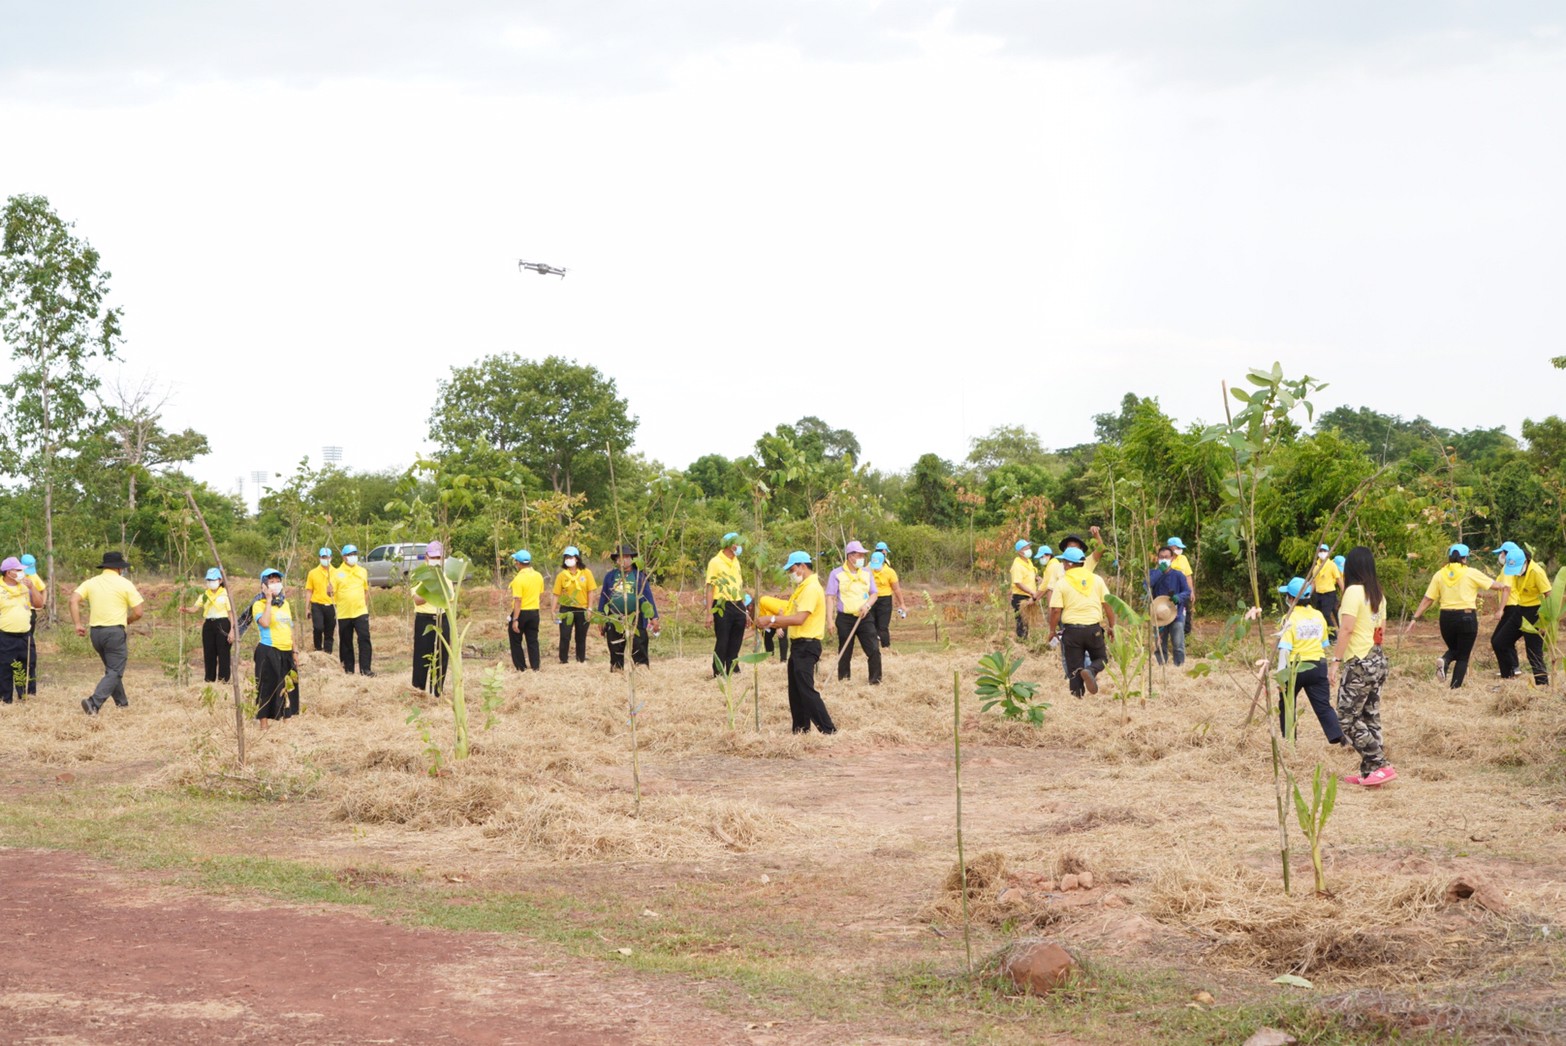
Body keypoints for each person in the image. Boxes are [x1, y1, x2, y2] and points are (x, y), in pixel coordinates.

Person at [1331, 546, 1396, 787]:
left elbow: (1346, 629)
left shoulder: (1352, 593)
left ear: (1351, 567)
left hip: (1358, 661)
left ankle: (1379, 763)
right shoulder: (1378, 593)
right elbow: (1382, 632)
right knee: (1370, 716)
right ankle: (1371, 773)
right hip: (1377, 659)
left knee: (1346, 717)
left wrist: (1335, 662)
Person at [1406, 543, 1506, 689]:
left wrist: (1414, 618)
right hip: (1466, 617)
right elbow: (1496, 586)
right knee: (1463, 656)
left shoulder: (1439, 574)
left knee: (1455, 649)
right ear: (1465, 558)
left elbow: (1428, 598)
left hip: (1446, 619)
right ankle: (1454, 688)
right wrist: (1505, 584)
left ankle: (1445, 660)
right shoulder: (1471, 572)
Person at [758, 551, 836, 734]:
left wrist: (770, 620)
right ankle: (801, 730)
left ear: (803, 566)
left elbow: (800, 618)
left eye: (792, 569)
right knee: (796, 691)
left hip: (807, 644)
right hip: (799, 644)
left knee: (806, 691)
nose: (790, 574)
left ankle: (828, 730)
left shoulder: (810, 588)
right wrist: (775, 620)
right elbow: (789, 614)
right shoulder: (802, 588)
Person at [70, 551, 145, 716]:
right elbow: (139, 612)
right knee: (116, 671)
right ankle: (94, 703)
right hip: (114, 632)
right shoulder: (125, 584)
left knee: (111, 669)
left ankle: (122, 704)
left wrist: (77, 624)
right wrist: (129, 620)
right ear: (119, 568)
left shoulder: (91, 582)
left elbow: (73, 600)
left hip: (95, 633)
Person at [1273, 576, 1345, 747]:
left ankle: (1289, 741)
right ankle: (1339, 736)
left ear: (1291, 599)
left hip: (1295, 667)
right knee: (1323, 706)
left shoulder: (1288, 619)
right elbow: (1323, 643)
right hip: (1318, 666)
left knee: (1288, 705)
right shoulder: (1318, 615)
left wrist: (1280, 676)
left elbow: (1284, 649)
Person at [1046, 547, 1116, 697]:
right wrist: (1111, 626)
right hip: (1093, 630)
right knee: (1101, 658)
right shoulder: (1097, 579)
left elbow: (1056, 610)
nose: (1063, 565)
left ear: (1070, 564)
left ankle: (1077, 698)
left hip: (1072, 632)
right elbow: (1108, 604)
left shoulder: (1062, 583)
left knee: (1074, 669)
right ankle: (1090, 670)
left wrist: (1052, 631)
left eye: (1064, 562)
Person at [1490, 541, 1552, 685]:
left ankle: (1542, 686)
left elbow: (1549, 595)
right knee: (1499, 642)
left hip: (1536, 613)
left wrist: (1546, 622)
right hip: (1520, 610)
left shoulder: (1536, 572)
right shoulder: (1515, 571)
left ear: (1525, 562)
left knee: (1533, 653)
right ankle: (1508, 681)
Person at [825, 541, 881, 684]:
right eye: (860, 555)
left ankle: (875, 680)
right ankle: (844, 681)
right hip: (845, 619)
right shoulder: (836, 574)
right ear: (850, 556)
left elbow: (874, 594)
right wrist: (830, 620)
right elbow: (830, 597)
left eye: (863, 555)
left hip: (865, 617)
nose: (863, 558)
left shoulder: (867, 573)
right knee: (845, 651)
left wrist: (867, 605)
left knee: (874, 649)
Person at [252, 568, 302, 724]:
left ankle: (286, 720)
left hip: (286, 650)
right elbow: (265, 623)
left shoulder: (285, 604)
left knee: (288, 686)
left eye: (277, 581)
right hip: (268, 650)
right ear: (264, 585)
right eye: (271, 582)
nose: (275, 584)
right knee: (267, 687)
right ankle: (264, 723)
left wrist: (295, 651)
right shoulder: (258, 604)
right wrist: (268, 600)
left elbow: (290, 628)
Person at [597, 545, 659, 671]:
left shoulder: (639, 576)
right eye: (621, 557)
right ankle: (617, 672)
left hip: (636, 618)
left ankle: (641, 672)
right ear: (616, 560)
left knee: (639, 647)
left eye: (626, 557)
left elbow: (647, 598)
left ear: (631, 559)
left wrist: (654, 617)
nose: (623, 560)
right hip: (615, 618)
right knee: (616, 649)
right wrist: (601, 617)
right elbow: (604, 597)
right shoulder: (610, 576)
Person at [0, 557, 45, 703]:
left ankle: (25, 696)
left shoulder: (25, 587)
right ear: (8, 572)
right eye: (18, 570)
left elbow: (39, 604)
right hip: (5, 636)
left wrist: (32, 587)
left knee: (28, 666)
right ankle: (5, 700)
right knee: (5, 669)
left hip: (25, 635)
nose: (21, 573)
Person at [179, 568, 234, 683]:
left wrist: (232, 630)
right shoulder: (205, 595)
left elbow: (230, 613)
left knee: (223, 652)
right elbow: (195, 608)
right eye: (208, 580)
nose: (210, 582)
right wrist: (186, 609)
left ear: (220, 580)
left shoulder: (225, 594)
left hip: (223, 623)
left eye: (213, 580)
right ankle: (209, 679)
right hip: (209, 624)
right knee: (209, 652)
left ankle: (223, 680)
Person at [412, 540, 452, 695]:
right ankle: (418, 691)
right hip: (424, 619)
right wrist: (432, 591)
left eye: (438, 557)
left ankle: (437, 692)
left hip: (442, 618)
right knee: (422, 657)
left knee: (442, 656)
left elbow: (450, 598)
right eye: (433, 557)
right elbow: (417, 599)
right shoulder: (419, 575)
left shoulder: (446, 575)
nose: (436, 560)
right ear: (426, 557)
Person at [705, 532, 747, 677]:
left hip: (738, 604)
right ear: (730, 545)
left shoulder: (736, 561)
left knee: (737, 639)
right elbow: (710, 588)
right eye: (737, 543)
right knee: (723, 640)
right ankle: (718, 671)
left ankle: (733, 668)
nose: (740, 547)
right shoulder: (715, 562)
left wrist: (744, 609)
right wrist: (709, 613)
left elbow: (739, 585)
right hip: (722, 605)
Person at [1147, 546, 1192, 666]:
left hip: (1176, 614)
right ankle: (1161, 665)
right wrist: (1159, 572)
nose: (1163, 560)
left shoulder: (1178, 575)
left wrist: (1179, 597)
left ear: (1172, 558)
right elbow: (1148, 584)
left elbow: (1187, 592)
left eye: (1166, 557)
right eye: (1161, 557)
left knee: (1178, 644)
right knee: (1160, 645)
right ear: (1157, 559)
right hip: (1158, 614)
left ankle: (1179, 665)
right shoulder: (1153, 573)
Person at [333, 544, 373, 676]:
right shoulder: (336, 573)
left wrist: (364, 606)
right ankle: (348, 669)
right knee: (346, 642)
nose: (352, 557)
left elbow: (366, 590)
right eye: (349, 555)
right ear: (344, 557)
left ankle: (365, 669)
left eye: (354, 554)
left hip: (360, 612)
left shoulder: (362, 571)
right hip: (344, 613)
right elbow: (331, 592)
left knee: (364, 639)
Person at [552, 545, 596, 664]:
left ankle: (580, 659)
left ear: (577, 558)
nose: (568, 559)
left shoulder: (586, 573)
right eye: (566, 557)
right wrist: (553, 610)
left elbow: (590, 591)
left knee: (581, 636)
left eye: (570, 557)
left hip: (582, 608)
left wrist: (590, 608)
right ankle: (563, 659)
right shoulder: (562, 575)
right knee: (565, 635)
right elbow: (556, 594)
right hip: (566, 609)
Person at [507, 549, 544, 672]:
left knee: (516, 640)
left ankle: (521, 667)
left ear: (518, 563)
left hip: (521, 612)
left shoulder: (518, 579)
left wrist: (515, 619)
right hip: (534, 612)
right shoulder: (538, 576)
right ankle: (535, 666)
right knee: (533, 640)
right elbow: (540, 593)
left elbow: (518, 600)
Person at [868, 543, 907, 648]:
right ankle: (873, 648)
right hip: (870, 599)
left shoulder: (890, 572)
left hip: (884, 600)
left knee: (883, 626)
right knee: (871, 625)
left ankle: (886, 648)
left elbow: (896, 589)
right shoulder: (867, 569)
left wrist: (902, 603)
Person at [303, 547, 337, 653]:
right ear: (319, 558)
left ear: (331, 557)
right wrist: (307, 607)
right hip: (317, 604)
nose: (325, 559)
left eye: (327, 557)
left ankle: (328, 653)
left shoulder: (336, 572)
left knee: (329, 631)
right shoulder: (313, 573)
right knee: (318, 627)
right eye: (323, 557)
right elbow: (309, 590)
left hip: (331, 604)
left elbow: (340, 590)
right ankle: (317, 649)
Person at [20, 553, 43, 695]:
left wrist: (41, 603)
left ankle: (30, 687)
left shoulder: (33, 578)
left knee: (27, 648)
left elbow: (42, 593)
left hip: (29, 614)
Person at [1309, 544, 1343, 637]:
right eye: (1320, 551)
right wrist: (1308, 594)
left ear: (1328, 553)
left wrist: (1344, 591)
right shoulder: (1316, 567)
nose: (1322, 553)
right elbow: (1314, 583)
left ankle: (1334, 637)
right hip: (1319, 594)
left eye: (1324, 551)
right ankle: (1324, 635)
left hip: (1329, 593)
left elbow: (1338, 579)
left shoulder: (1332, 565)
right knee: (1320, 615)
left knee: (1326, 615)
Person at [1008, 539, 1039, 639]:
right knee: (1021, 620)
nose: (1029, 549)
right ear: (1020, 551)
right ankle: (1022, 640)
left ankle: (1025, 638)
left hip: (1029, 595)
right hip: (1020, 596)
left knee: (1026, 620)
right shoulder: (1017, 565)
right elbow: (1018, 582)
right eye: (1026, 548)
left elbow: (1028, 576)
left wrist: (1036, 578)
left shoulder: (1028, 562)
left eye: (1029, 547)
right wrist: (1030, 591)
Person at [1166, 537, 1196, 637]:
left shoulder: (1183, 559)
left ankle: (1185, 636)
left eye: (1180, 547)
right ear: (1171, 547)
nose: (1179, 549)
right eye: (1177, 547)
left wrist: (1191, 591)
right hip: (1170, 592)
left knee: (1185, 613)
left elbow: (1188, 576)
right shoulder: (1165, 560)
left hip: (1183, 592)